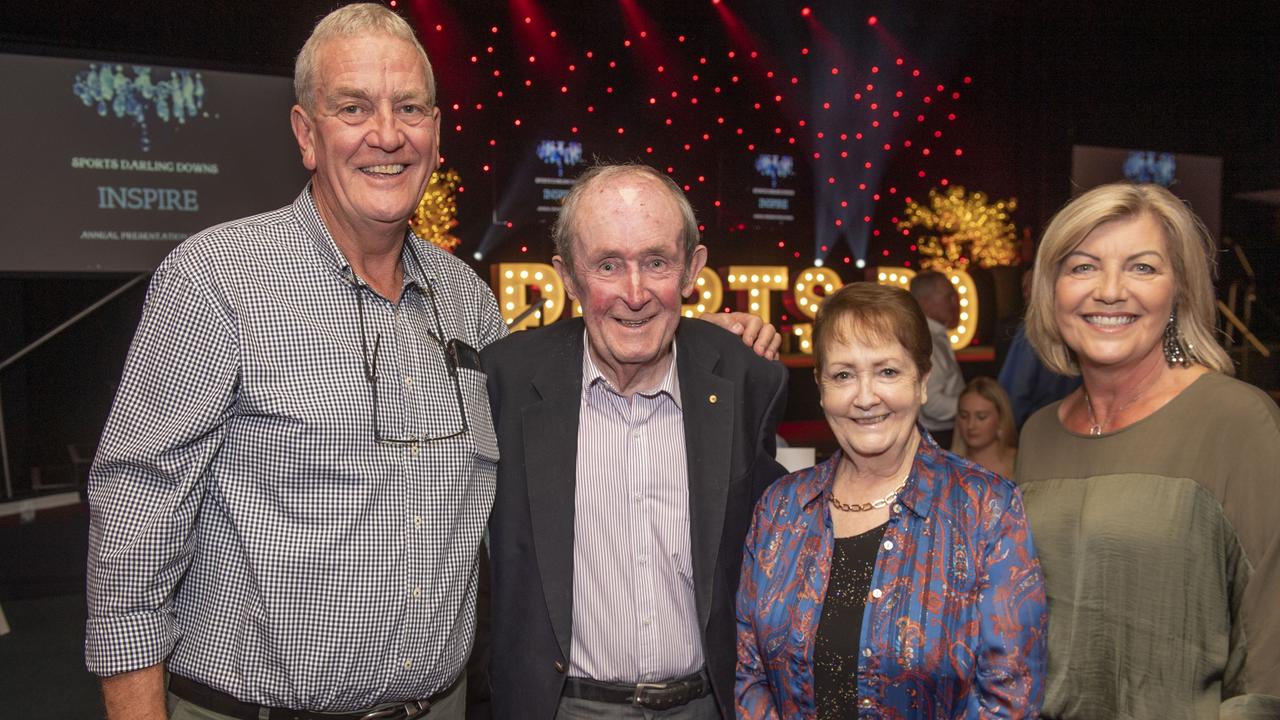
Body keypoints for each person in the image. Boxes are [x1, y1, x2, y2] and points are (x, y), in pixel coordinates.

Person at [483, 164, 789, 719]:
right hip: (560, 708)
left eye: (656, 262)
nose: (635, 293)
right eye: (607, 265)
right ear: (569, 278)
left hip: (706, 704)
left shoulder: (748, 379)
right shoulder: (504, 381)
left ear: (692, 269)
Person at [1017, 182, 1280, 718]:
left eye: (1142, 267)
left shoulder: (1238, 420)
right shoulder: (1038, 433)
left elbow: (1269, 657)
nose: (1110, 291)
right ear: (1051, 290)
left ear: (1179, 289)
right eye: (1083, 267)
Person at [736, 282, 1047, 719]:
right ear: (821, 387)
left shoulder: (986, 509)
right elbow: (749, 674)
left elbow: (1010, 698)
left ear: (922, 381)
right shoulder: (781, 508)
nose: (865, 398)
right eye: (843, 375)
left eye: (887, 372)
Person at [997, 269, 1080, 430]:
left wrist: (1007, 431)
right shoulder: (1078, 324)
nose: (1026, 294)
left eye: (1029, 288)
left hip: (1037, 426)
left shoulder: (1031, 329)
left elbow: (1015, 390)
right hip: (1075, 422)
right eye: (1024, 289)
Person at [908, 271, 964, 448]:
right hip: (939, 438)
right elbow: (932, 403)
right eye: (949, 297)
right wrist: (975, 409)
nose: (955, 303)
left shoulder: (930, 336)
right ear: (925, 302)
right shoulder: (927, 341)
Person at [952, 376, 1018, 478]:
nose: (970, 425)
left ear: (1001, 419)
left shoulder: (1021, 463)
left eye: (981, 417)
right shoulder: (944, 465)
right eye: (964, 416)